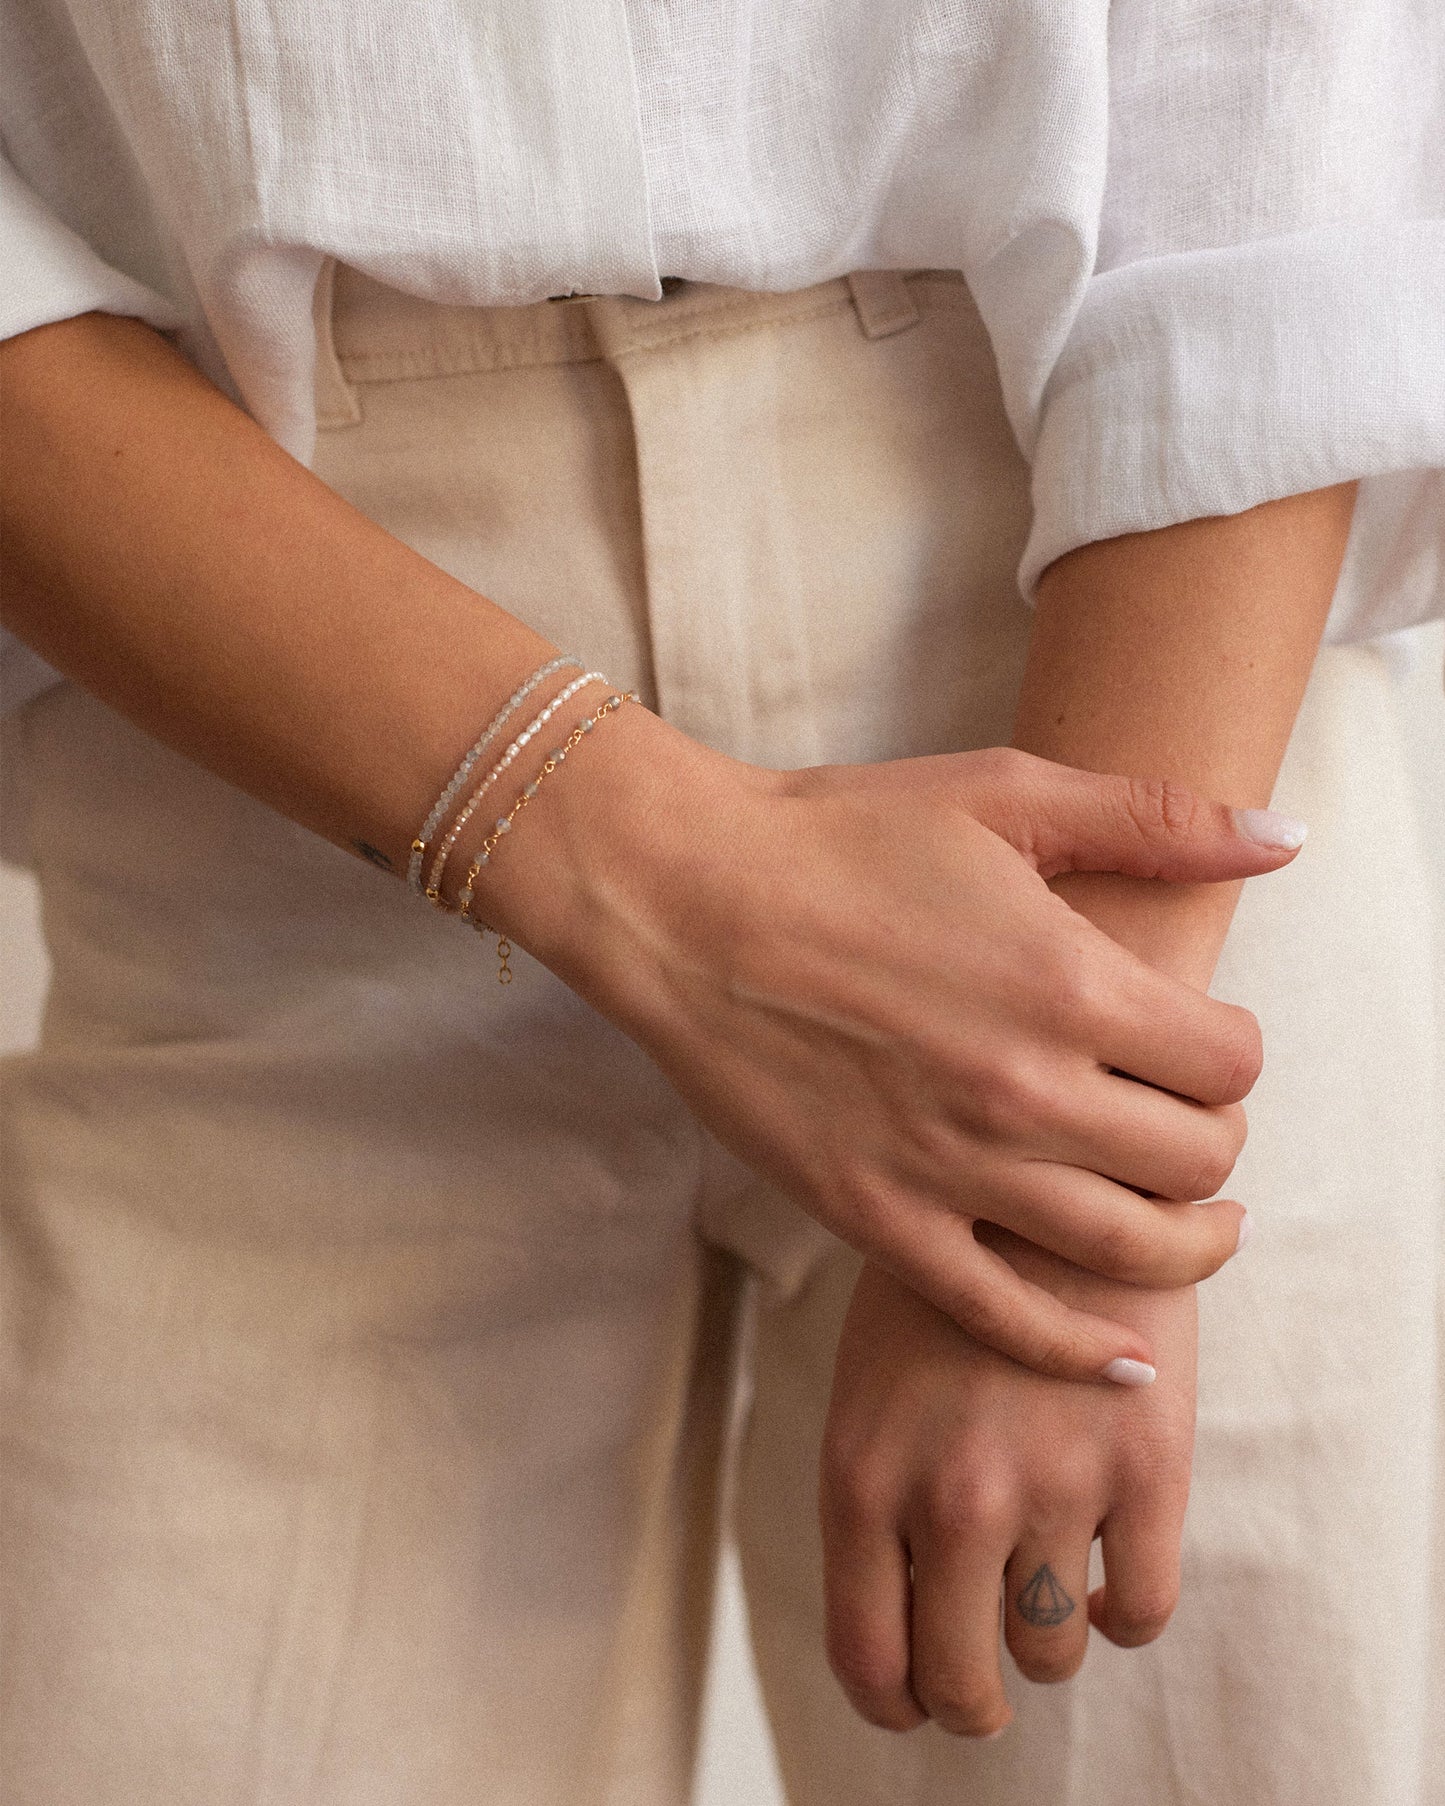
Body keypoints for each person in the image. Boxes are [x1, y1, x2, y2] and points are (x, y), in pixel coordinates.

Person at [0, 4, 1440, 1804]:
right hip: (270, 703)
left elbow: (1287, 93)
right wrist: (648, 869)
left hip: (1098, 659)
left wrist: (1078, 1177)